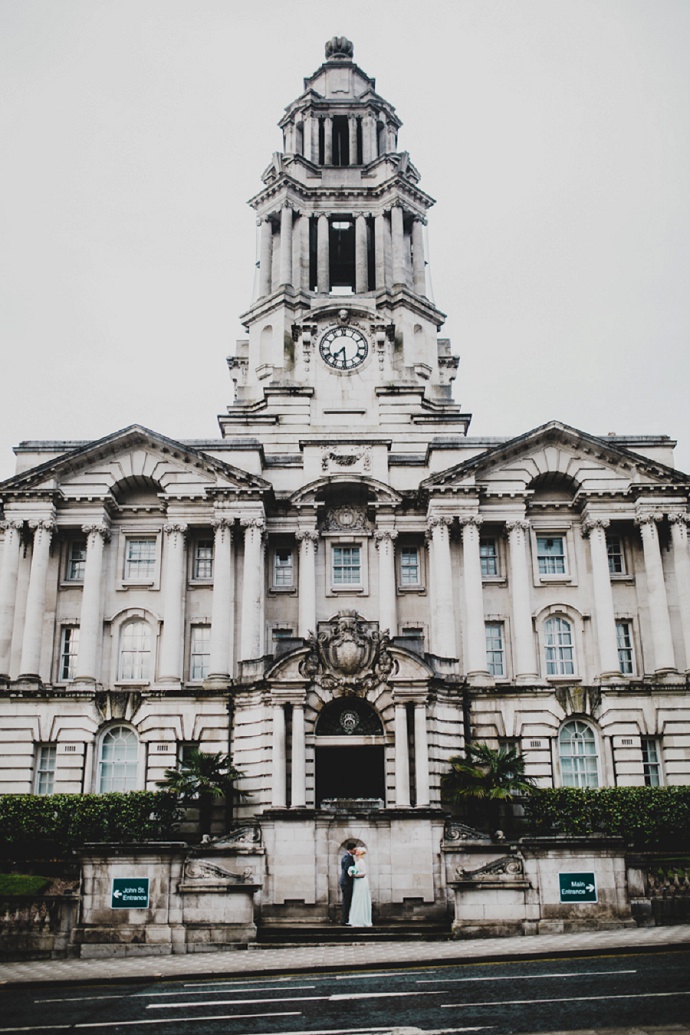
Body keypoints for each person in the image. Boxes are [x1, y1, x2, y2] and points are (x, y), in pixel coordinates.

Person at [347, 847, 372, 927]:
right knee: (357, 899)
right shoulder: (357, 861)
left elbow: (364, 873)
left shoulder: (361, 861)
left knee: (360, 899)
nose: (356, 851)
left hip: (361, 882)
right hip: (357, 882)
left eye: (357, 850)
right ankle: (356, 919)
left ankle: (361, 920)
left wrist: (354, 875)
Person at [339, 840, 357, 925]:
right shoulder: (347, 858)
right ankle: (344, 920)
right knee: (346, 901)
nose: (355, 851)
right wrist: (355, 874)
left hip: (346, 882)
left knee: (347, 901)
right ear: (350, 850)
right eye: (354, 849)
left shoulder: (347, 857)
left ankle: (346, 919)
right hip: (346, 883)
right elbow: (348, 870)